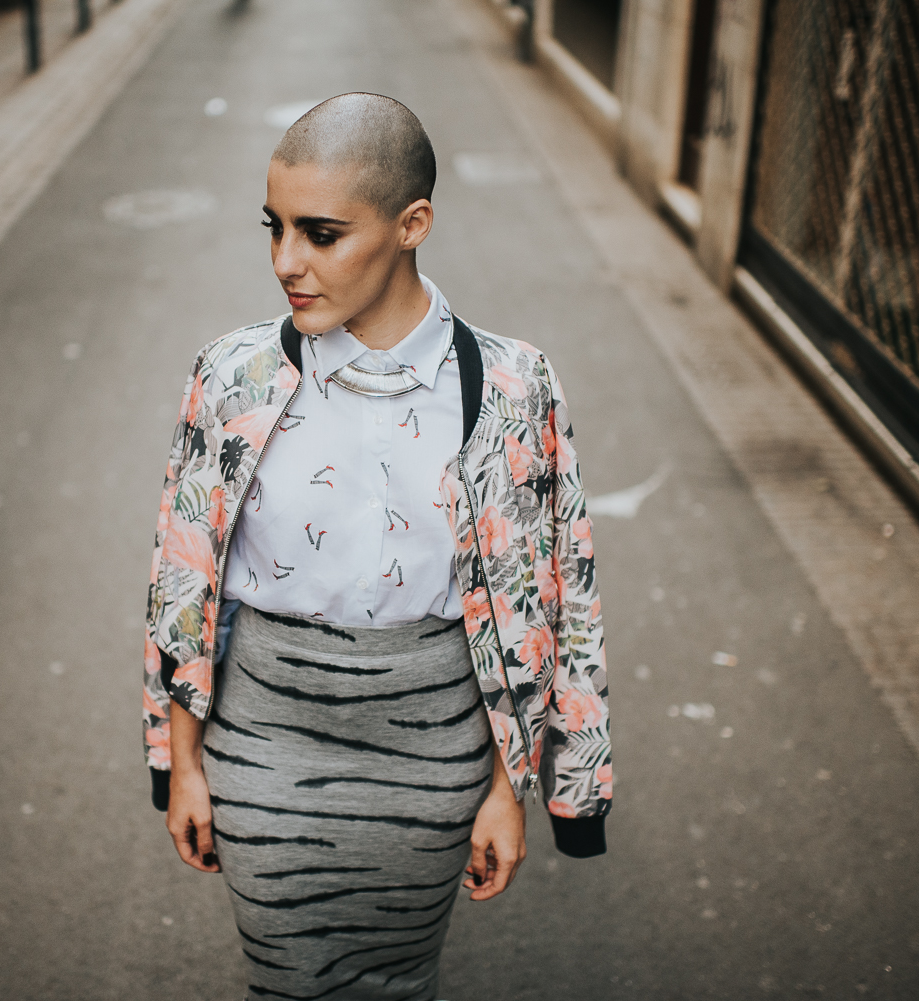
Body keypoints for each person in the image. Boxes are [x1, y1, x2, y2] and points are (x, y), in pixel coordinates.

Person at [141, 93, 611, 1001]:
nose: (286, 261)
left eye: (321, 234)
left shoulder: (511, 386)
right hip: (266, 742)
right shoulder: (232, 374)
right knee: (288, 981)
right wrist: (183, 764)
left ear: (412, 224)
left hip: (435, 754)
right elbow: (181, 581)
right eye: (275, 227)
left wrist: (511, 786)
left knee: (400, 981)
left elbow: (561, 595)